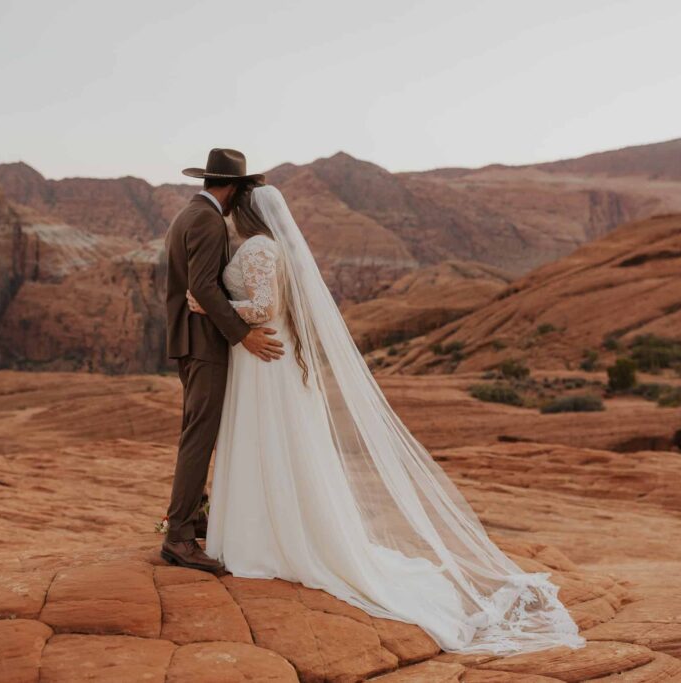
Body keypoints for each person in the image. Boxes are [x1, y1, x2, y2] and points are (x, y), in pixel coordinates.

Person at [186, 181, 586, 655]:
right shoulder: (271, 246)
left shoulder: (257, 247)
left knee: (267, 439)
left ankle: (266, 538)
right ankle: (274, 527)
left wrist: (208, 306)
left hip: (263, 357)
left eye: (237, 204)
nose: (230, 210)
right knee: (279, 442)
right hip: (266, 357)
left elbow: (264, 309)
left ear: (246, 210)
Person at [162, 148, 282, 572]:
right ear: (231, 188)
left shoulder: (187, 214)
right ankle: (178, 537)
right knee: (200, 436)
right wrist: (244, 335)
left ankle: (193, 516)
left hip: (187, 340)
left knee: (196, 431)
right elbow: (204, 288)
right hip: (205, 344)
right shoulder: (210, 220)